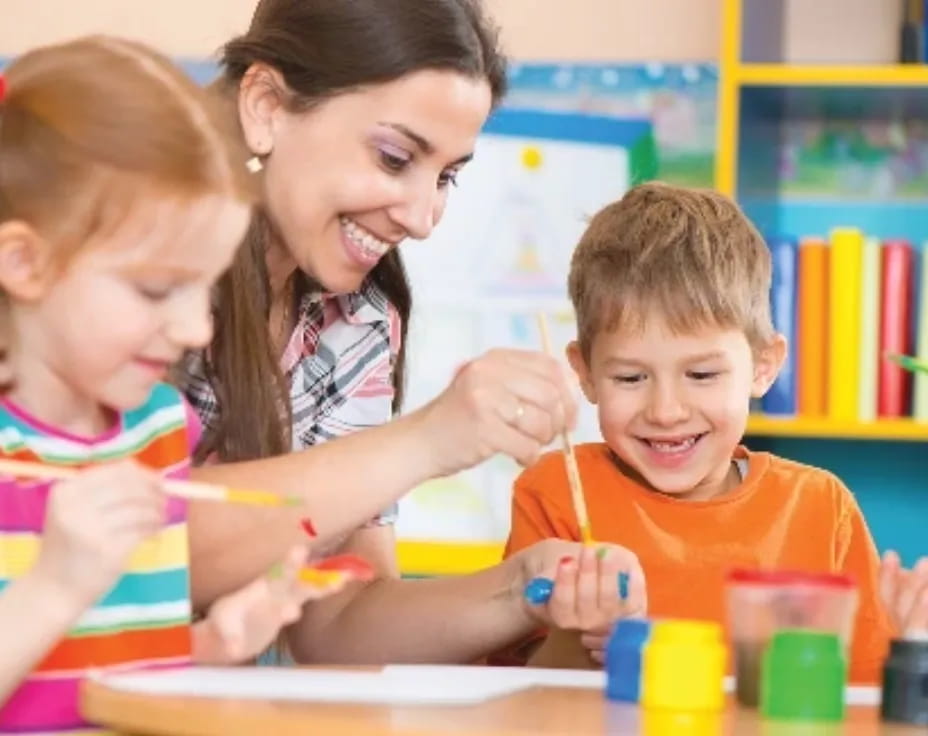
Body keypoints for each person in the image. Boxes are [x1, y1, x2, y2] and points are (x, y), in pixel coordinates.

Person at [177, 0, 639, 664]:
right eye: (395, 157)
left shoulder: (356, 318)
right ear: (266, 107)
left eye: (447, 175)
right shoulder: (141, 274)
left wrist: (527, 590)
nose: (424, 219)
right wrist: (427, 439)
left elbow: (333, 623)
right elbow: (129, 549)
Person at [0, 37, 347, 732]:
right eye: (158, 288)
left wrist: (214, 646)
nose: (195, 329)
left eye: (206, 291)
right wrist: (53, 585)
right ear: (24, 263)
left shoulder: (159, 428)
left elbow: (106, 679)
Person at [504, 181, 897, 681]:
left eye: (702, 375)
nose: (666, 411)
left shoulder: (821, 508)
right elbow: (519, 699)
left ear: (762, 366)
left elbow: (862, 694)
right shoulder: (554, 493)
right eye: (630, 378)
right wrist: (575, 639)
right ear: (585, 374)